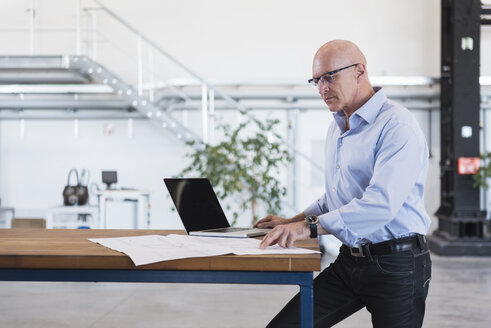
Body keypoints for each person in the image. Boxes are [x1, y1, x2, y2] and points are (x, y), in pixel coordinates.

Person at [254, 40, 432, 328]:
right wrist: (292, 220)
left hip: (397, 266)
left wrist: (307, 228)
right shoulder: (338, 128)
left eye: (329, 76)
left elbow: (380, 205)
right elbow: (336, 197)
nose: (322, 87)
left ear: (360, 70)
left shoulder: (397, 126)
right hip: (350, 261)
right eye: (316, 80)